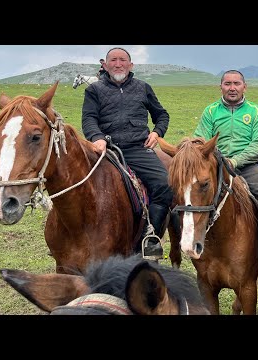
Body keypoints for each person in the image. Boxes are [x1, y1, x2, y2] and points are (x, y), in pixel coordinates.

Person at [81, 47, 173, 260]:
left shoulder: (143, 88)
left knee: (164, 185)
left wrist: (157, 133)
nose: (118, 64)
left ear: (131, 65)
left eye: (123, 60)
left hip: (137, 148)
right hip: (107, 149)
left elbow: (162, 115)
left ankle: (151, 239)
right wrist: (97, 137)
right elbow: (89, 118)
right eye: (113, 60)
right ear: (105, 64)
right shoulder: (94, 90)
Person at [194, 70, 258, 286]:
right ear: (220, 87)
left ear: (244, 87)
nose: (232, 87)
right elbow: (200, 139)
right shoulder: (211, 111)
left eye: (236, 83)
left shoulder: (255, 111)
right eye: (227, 83)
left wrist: (235, 160)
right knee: (189, 195)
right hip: (215, 167)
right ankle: (191, 244)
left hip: (247, 167)